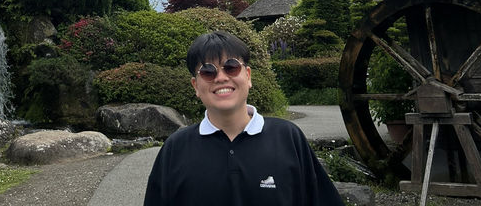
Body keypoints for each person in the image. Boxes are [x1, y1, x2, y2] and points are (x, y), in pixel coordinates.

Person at [143, 31, 344, 206]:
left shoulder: (288, 138)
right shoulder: (175, 148)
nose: (221, 77)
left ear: (248, 76)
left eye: (231, 67)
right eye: (208, 71)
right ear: (195, 86)